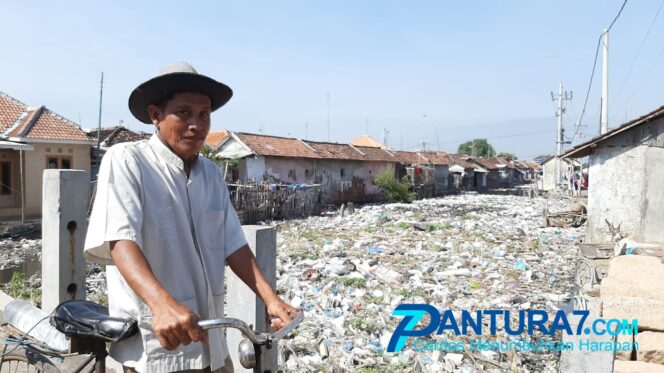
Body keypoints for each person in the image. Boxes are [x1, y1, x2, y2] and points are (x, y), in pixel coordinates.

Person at [84, 62, 297, 373]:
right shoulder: (129, 161)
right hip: (159, 346)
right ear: (155, 115)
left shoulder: (210, 173)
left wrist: (271, 299)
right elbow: (120, 240)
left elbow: (233, 244)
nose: (197, 124)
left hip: (211, 341)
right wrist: (162, 305)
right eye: (183, 113)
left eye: (204, 114)